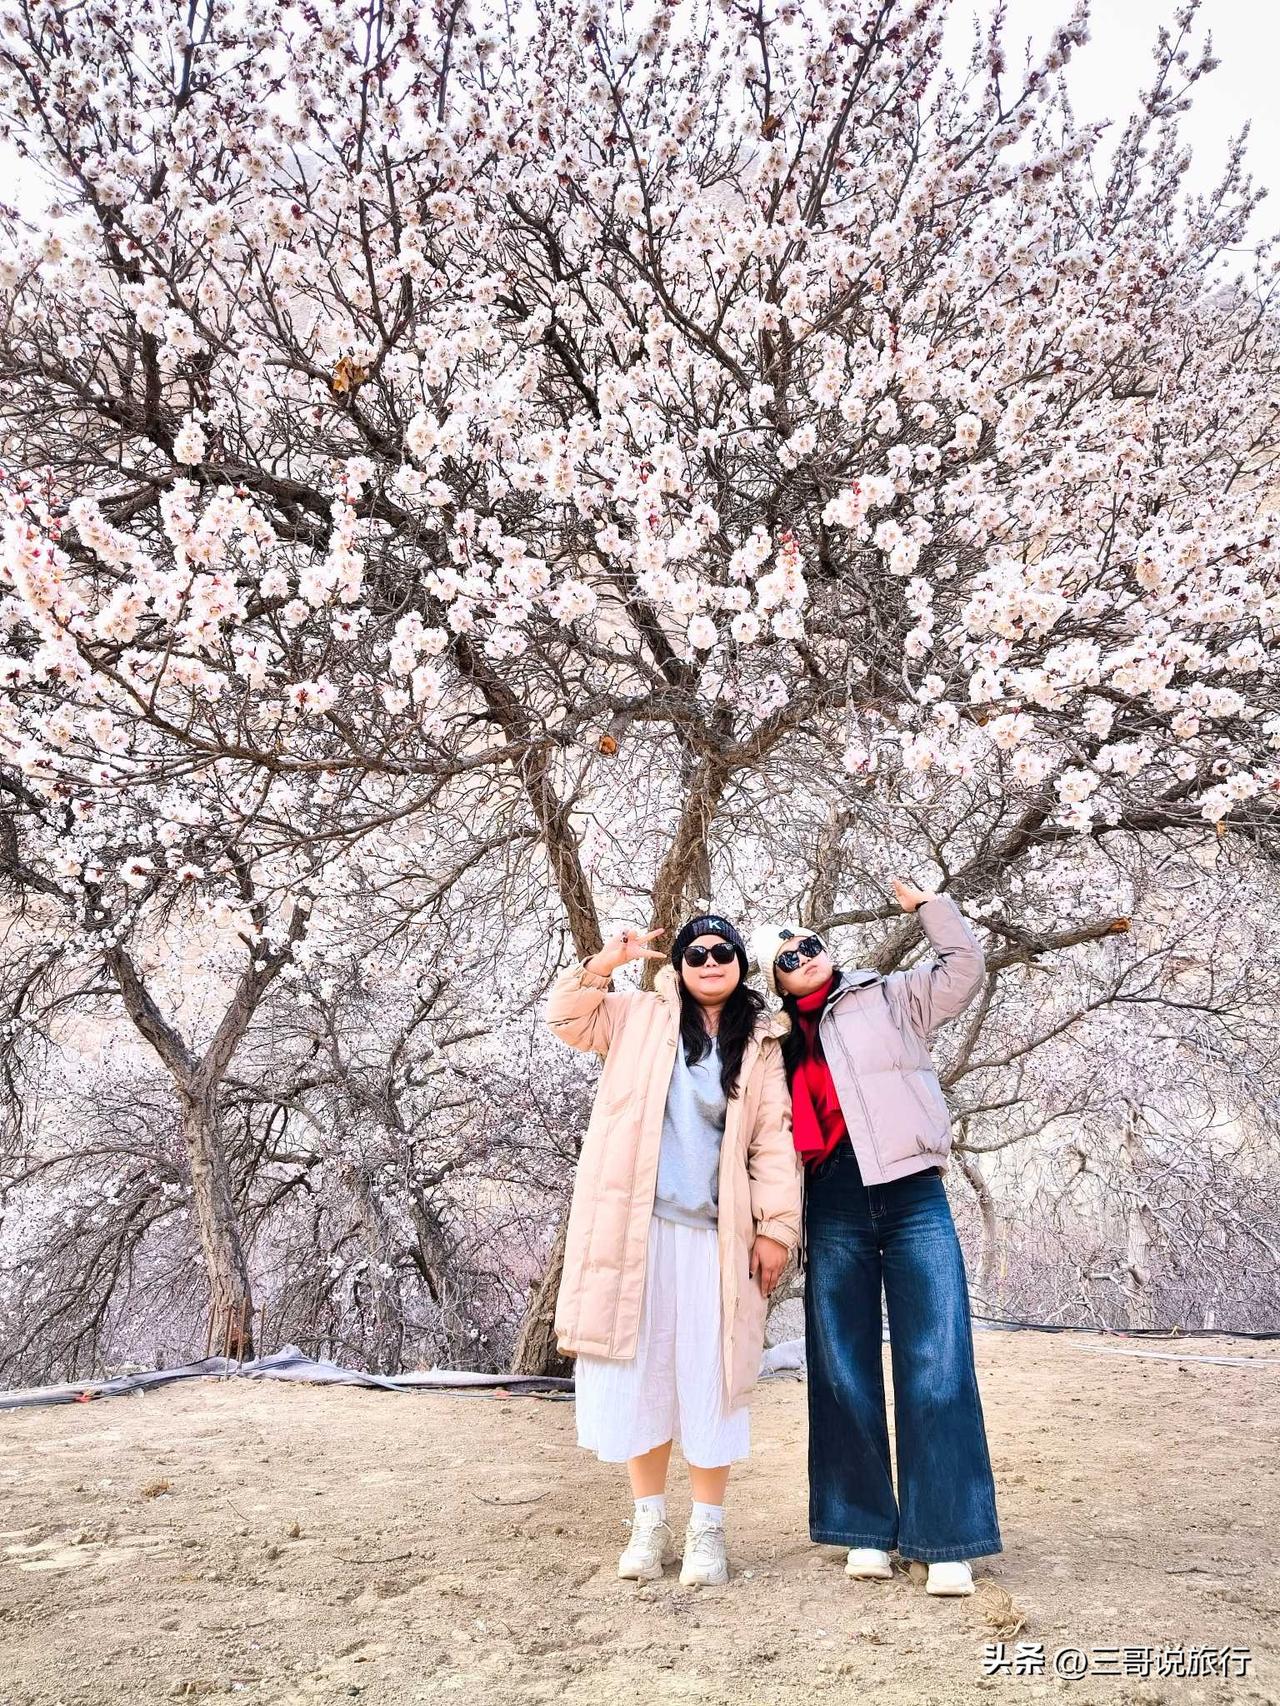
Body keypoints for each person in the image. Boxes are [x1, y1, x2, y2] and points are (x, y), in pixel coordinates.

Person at [749, 880, 1002, 1598]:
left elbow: (965, 967)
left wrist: (929, 907)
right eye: (787, 957)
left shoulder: (889, 996)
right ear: (774, 979)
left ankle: (945, 1539)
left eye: (809, 944)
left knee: (938, 1359)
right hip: (831, 1200)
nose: (804, 956)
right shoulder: (770, 1041)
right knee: (842, 1366)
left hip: (912, 1190)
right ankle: (863, 1529)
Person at [545, 912, 802, 1586]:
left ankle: (707, 1530)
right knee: (643, 1375)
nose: (710, 963)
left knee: (711, 1377)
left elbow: (773, 1141)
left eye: (723, 952)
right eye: (696, 954)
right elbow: (565, 1017)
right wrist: (604, 965)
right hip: (637, 1231)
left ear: (739, 963)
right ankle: (648, 1523)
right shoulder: (636, 1016)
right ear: (679, 965)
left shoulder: (763, 1041)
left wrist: (777, 1229)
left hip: (719, 1237)